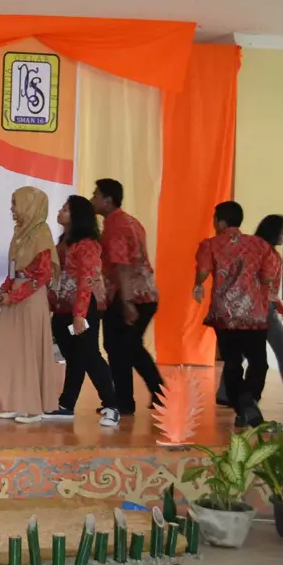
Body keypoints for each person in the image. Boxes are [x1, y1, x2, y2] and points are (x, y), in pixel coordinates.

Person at [193, 201, 278, 428]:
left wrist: (198, 284)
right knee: (259, 363)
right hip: (253, 314)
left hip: (225, 314)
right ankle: (248, 401)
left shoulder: (210, 244)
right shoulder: (259, 245)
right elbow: (269, 276)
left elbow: (202, 271)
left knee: (231, 363)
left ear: (221, 221)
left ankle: (242, 408)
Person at [92, 178, 164, 416]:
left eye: (96, 195)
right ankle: (153, 395)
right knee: (127, 347)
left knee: (120, 347)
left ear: (107, 200)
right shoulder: (131, 222)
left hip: (130, 296)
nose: (93, 199)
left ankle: (127, 401)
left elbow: (122, 266)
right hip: (144, 294)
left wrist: (127, 302)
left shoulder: (117, 227)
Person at [48, 195, 119, 425]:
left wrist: (79, 315)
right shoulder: (63, 243)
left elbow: (86, 281)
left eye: (66, 209)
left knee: (89, 355)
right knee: (75, 357)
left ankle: (112, 406)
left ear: (77, 216)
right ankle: (66, 405)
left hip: (83, 307)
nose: (61, 211)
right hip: (63, 309)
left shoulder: (87, 245)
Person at [0, 187, 59, 424]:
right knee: (10, 349)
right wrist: (2, 291)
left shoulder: (41, 234)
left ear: (29, 205)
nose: (12, 209)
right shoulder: (19, 233)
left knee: (29, 350)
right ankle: (16, 402)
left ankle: (33, 407)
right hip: (15, 295)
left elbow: (41, 276)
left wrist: (14, 296)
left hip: (30, 298)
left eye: (15, 203)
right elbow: (14, 272)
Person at [216, 214, 283, 406]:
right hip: (263, 311)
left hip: (242, 309)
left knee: (238, 353)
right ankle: (247, 401)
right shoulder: (271, 256)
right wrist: (278, 309)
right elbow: (267, 289)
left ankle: (225, 394)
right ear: (274, 233)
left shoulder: (248, 249)